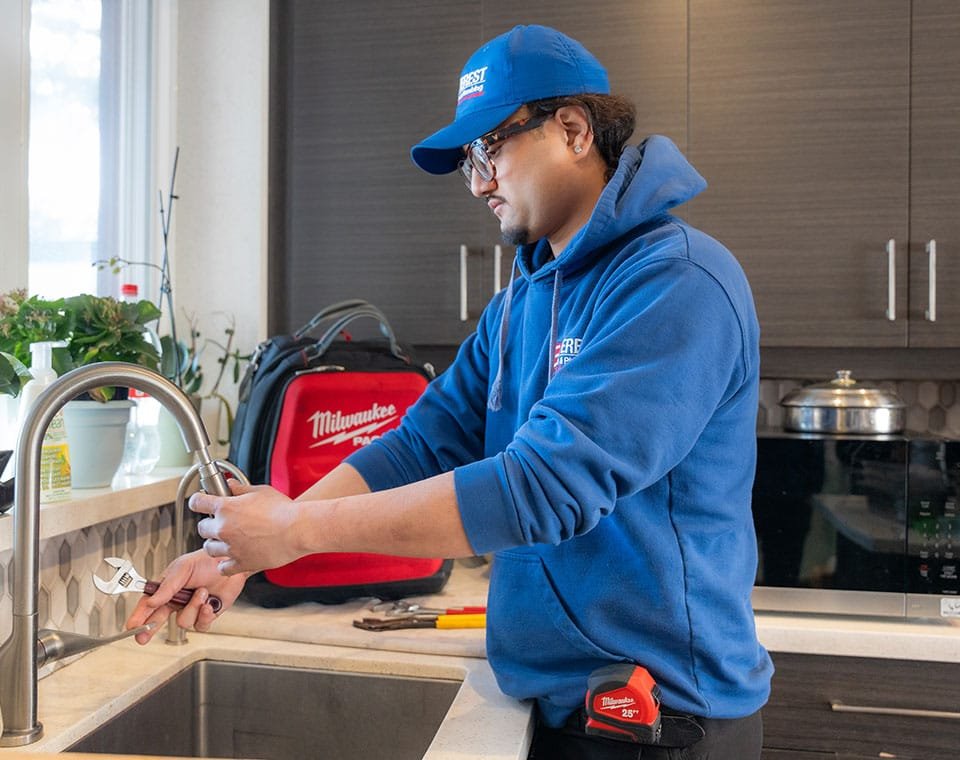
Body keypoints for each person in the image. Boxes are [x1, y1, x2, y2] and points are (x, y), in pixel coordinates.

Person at [127, 24, 773, 759]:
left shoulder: (676, 280)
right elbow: (421, 446)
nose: (477, 182)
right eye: (469, 159)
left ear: (572, 129)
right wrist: (252, 551)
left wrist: (295, 533)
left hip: (663, 722)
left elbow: (541, 488)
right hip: (564, 702)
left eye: (491, 147)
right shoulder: (519, 304)